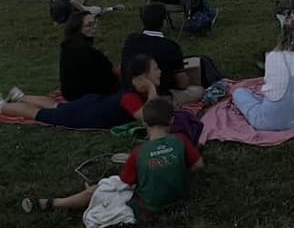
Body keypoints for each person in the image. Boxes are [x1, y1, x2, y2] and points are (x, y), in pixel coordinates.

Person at [17, 97, 203, 219]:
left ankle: (52, 203)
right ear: (171, 121)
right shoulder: (181, 140)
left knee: (98, 190)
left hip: (148, 208)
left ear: (144, 123)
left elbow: (127, 185)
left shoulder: (139, 152)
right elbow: (198, 166)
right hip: (181, 198)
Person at [1, 54, 160, 130]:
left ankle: (21, 96)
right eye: (155, 69)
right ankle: (3, 106)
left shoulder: (130, 90)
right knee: (39, 114)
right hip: (87, 115)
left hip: (93, 104)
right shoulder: (129, 98)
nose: (159, 72)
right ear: (142, 76)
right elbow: (150, 117)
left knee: (57, 106)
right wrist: (152, 88)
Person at [122, 4, 204, 105]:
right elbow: (182, 83)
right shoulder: (170, 47)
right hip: (160, 98)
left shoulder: (131, 41)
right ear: (164, 21)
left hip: (131, 95)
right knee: (199, 90)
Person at [59, 11, 119, 100]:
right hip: (90, 97)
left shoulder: (67, 47)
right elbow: (108, 79)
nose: (94, 27)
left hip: (71, 94)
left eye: (94, 23)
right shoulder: (88, 53)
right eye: (89, 25)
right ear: (77, 28)